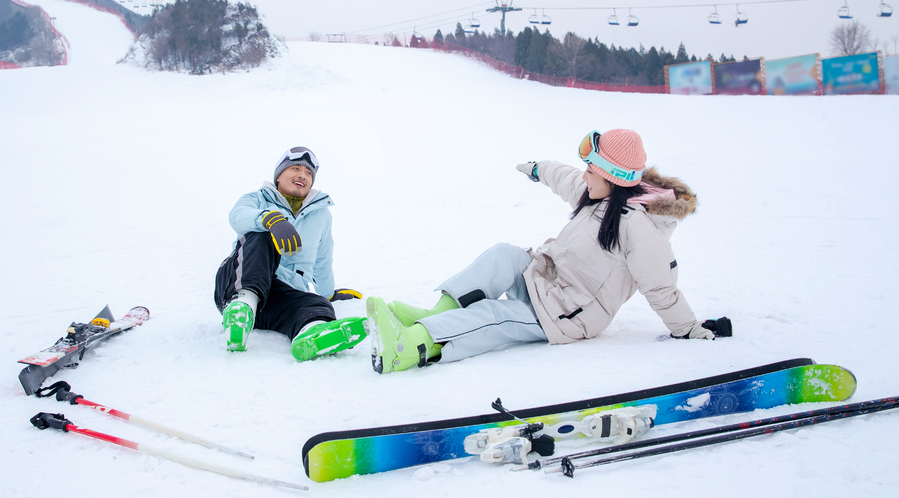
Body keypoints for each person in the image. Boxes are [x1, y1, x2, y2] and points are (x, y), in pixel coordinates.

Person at [366, 128, 730, 374]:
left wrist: (690, 330)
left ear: (611, 177)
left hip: (567, 313)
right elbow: (567, 177)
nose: (584, 175)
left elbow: (661, 287)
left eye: (591, 169)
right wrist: (540, 169)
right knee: (504, 255)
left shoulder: (639, 227)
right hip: (547, 281)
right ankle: (434, 314)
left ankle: (413, 345)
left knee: (497, 314)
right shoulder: (596, 194)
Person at [214, 146, 366, 359]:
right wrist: (270, 219)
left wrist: (328, 293)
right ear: (278, 176)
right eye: (295, 168)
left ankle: (313, 333)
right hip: (237, 280)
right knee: (262, 236)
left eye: (308, 173)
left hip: (277, 296)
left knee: (315, 304)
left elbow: (323, 259)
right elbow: (237, 216)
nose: (302, 175)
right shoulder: (257, 199)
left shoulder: (321, 215)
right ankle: (241, 307)